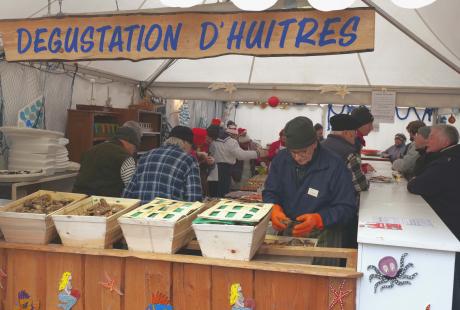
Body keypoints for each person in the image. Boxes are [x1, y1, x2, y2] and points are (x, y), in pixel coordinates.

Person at [263, 116, 357, 251]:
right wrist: (274, 208)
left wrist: (319, 219)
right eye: (293, 152)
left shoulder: (334, 165)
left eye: (303, 151)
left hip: (324, 237)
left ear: (315, 143)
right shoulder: (281, 160)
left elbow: (347, 207)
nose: (298, 157)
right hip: (288, 233)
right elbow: (270, 192)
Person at [407, 124, 460, 310]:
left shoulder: (447, 160)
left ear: (445, 141)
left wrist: (414, 181)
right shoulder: (450, 156)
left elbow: (416, 185)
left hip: (450, 228)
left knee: (451, 279)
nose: (427, 141)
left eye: (431, 137)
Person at [321, 114, 369, 248]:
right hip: (341, 209)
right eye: (354, 133)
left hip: (319, 208)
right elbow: (360, 185)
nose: (355, 137)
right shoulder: (349, 152)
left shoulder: (320, 147)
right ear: (346, 133)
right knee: (344, 244)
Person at [123, 126, 202, 203]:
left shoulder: (145, 156)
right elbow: (194, 199)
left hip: (138, 213)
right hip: (169, 214)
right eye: (191, 147)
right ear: (185, 143)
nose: (190, 150)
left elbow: (127, 193)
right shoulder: (189, 160)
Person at [73, 125, 141, 197]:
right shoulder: (125, 157)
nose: (133, 152)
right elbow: (132, 188)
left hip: (78, 199)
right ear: (130, 143)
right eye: (134, 148)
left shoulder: (91, 150)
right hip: (105, 204)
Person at [206, 125, 266, 197]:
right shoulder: (231, 142)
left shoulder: (214, 141)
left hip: (213, 170)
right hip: (225, 171)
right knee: (223, 194)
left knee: (213, 193)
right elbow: (241, 155)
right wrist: (257, 153)